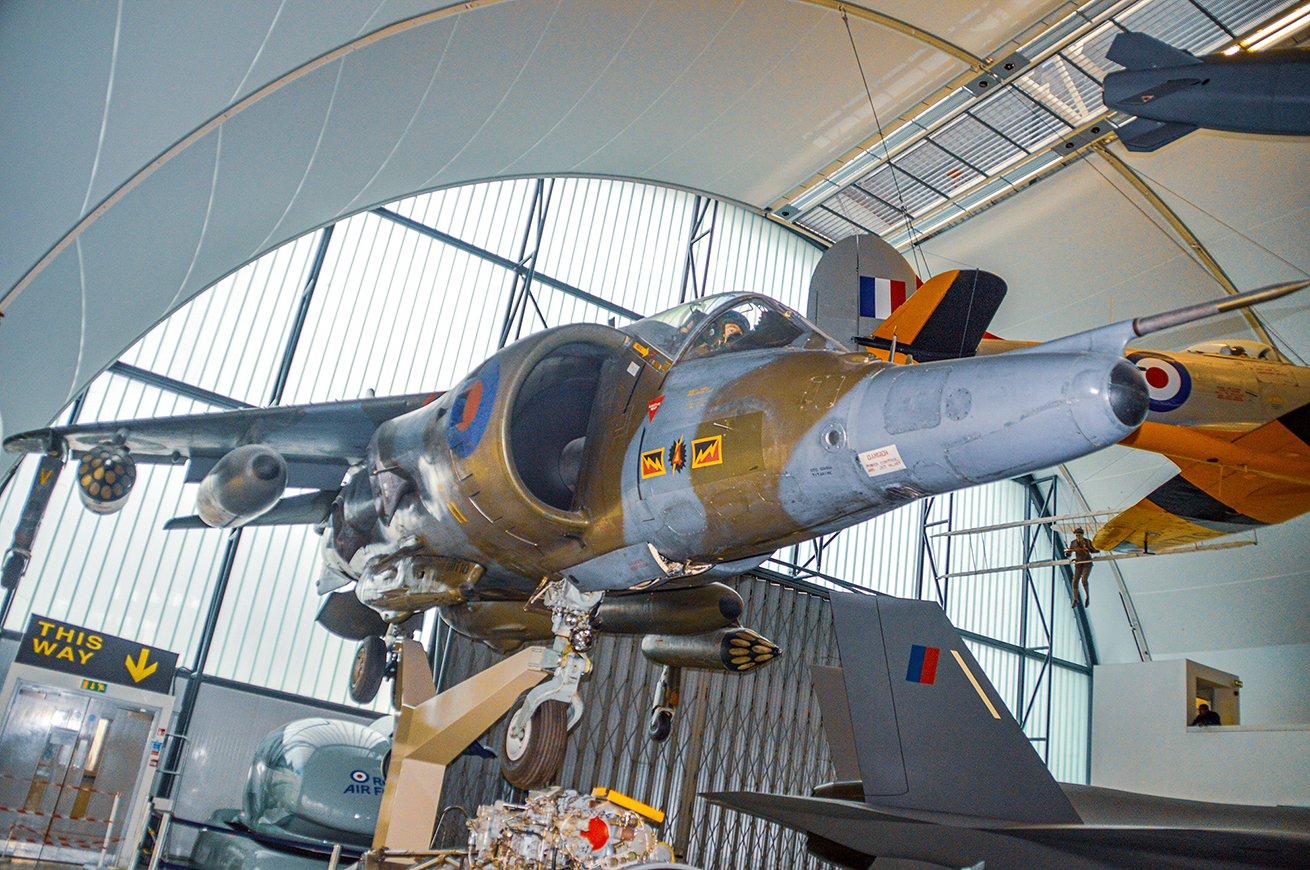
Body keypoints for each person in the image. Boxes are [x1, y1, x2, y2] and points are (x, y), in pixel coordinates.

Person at [1067, 527, 1096, 607]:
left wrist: (1088, 549)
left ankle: (1087, 597)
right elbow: (1070, 552)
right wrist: (1068, 553)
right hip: (1079, 563)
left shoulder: (1087, 542)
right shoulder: (1073, 543)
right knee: (1075, 581)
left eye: (1079, 535)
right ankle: (1076, 599)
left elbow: (1094, 550)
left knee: (1084, 580)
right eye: (1077, 535)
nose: (1078, 537)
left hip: (1087, 563)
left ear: (1082, 535)